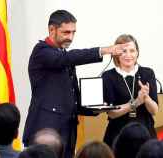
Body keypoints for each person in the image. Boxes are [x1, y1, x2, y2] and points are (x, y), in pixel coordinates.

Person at [22, 10, 125, 158]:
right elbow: (66, 58)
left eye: (73, 32)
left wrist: (95, 108)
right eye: (66, 32)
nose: (70, 37)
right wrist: (103, 51)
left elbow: (73, 97)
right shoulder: (41, 51)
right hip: (45, 132)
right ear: (52, 29)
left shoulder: (64, 55)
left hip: (68, 133)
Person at [102, 34, 159, 147]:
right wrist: (136, 102)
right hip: (118, 136)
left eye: (132, 51)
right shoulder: (108, 76)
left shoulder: (147, 73)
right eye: (124, 51)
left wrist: (146, 97)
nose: (128, 55)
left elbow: (154, 111)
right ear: (117, 54)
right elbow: (112, 113)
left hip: (145, 134)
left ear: (137, 53)